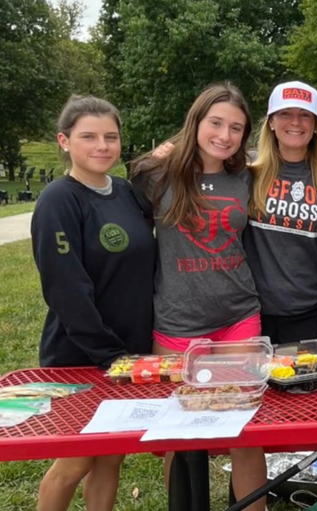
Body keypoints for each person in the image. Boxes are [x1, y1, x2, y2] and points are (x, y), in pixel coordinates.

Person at [129, 82, 268, 511]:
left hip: (238, 317)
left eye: (236, 128)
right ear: (196, 121)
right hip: (176, 324)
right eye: (216, 123)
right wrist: (162, 152)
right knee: (180, 436)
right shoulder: (155, 176)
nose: (225, 135)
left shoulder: (247, 177)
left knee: (244, 432)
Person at [32, 96, 154, 511]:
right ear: (64, 141)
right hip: (80, 356)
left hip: (130, 353)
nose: (101, 146)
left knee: (111, 456)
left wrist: (131, 357)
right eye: (88, 137)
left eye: (111, 137)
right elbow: (66, 290)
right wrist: (110, 356)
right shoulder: (58, 200)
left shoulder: (125, 192)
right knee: (75, 460)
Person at [243, 81, 317, 345]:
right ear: (271, 122)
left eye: (305, 115)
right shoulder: (247, 174)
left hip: (310, 313)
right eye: (285, 113)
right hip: (250, 313)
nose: (295, 122)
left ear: (315, 125)